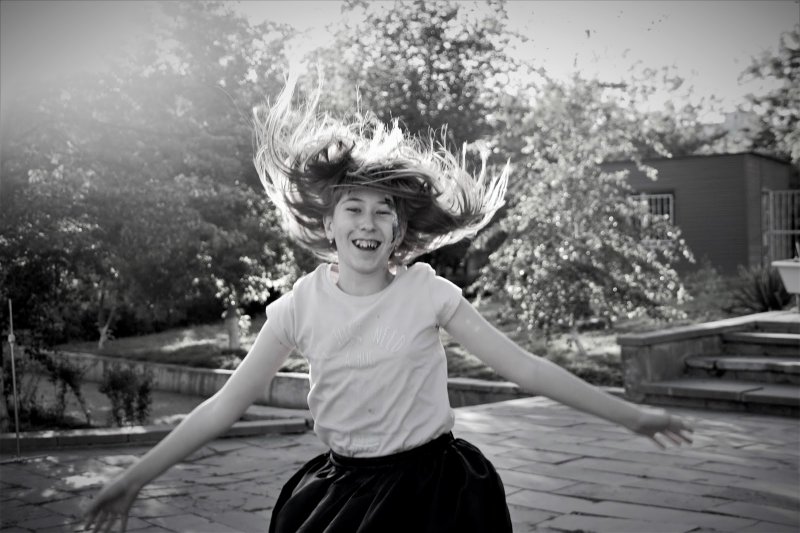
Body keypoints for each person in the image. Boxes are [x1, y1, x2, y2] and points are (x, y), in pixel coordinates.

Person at [83, 74, 693, 533]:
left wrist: (630, 416)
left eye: (384, 212)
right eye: (354, 208)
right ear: (329, 223)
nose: (369, 222)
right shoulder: (298, 308)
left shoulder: (428, 294)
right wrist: (135, 478)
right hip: (343, 491)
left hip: (436, 493)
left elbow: (526, 369)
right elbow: (223, 406)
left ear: (399, 229)